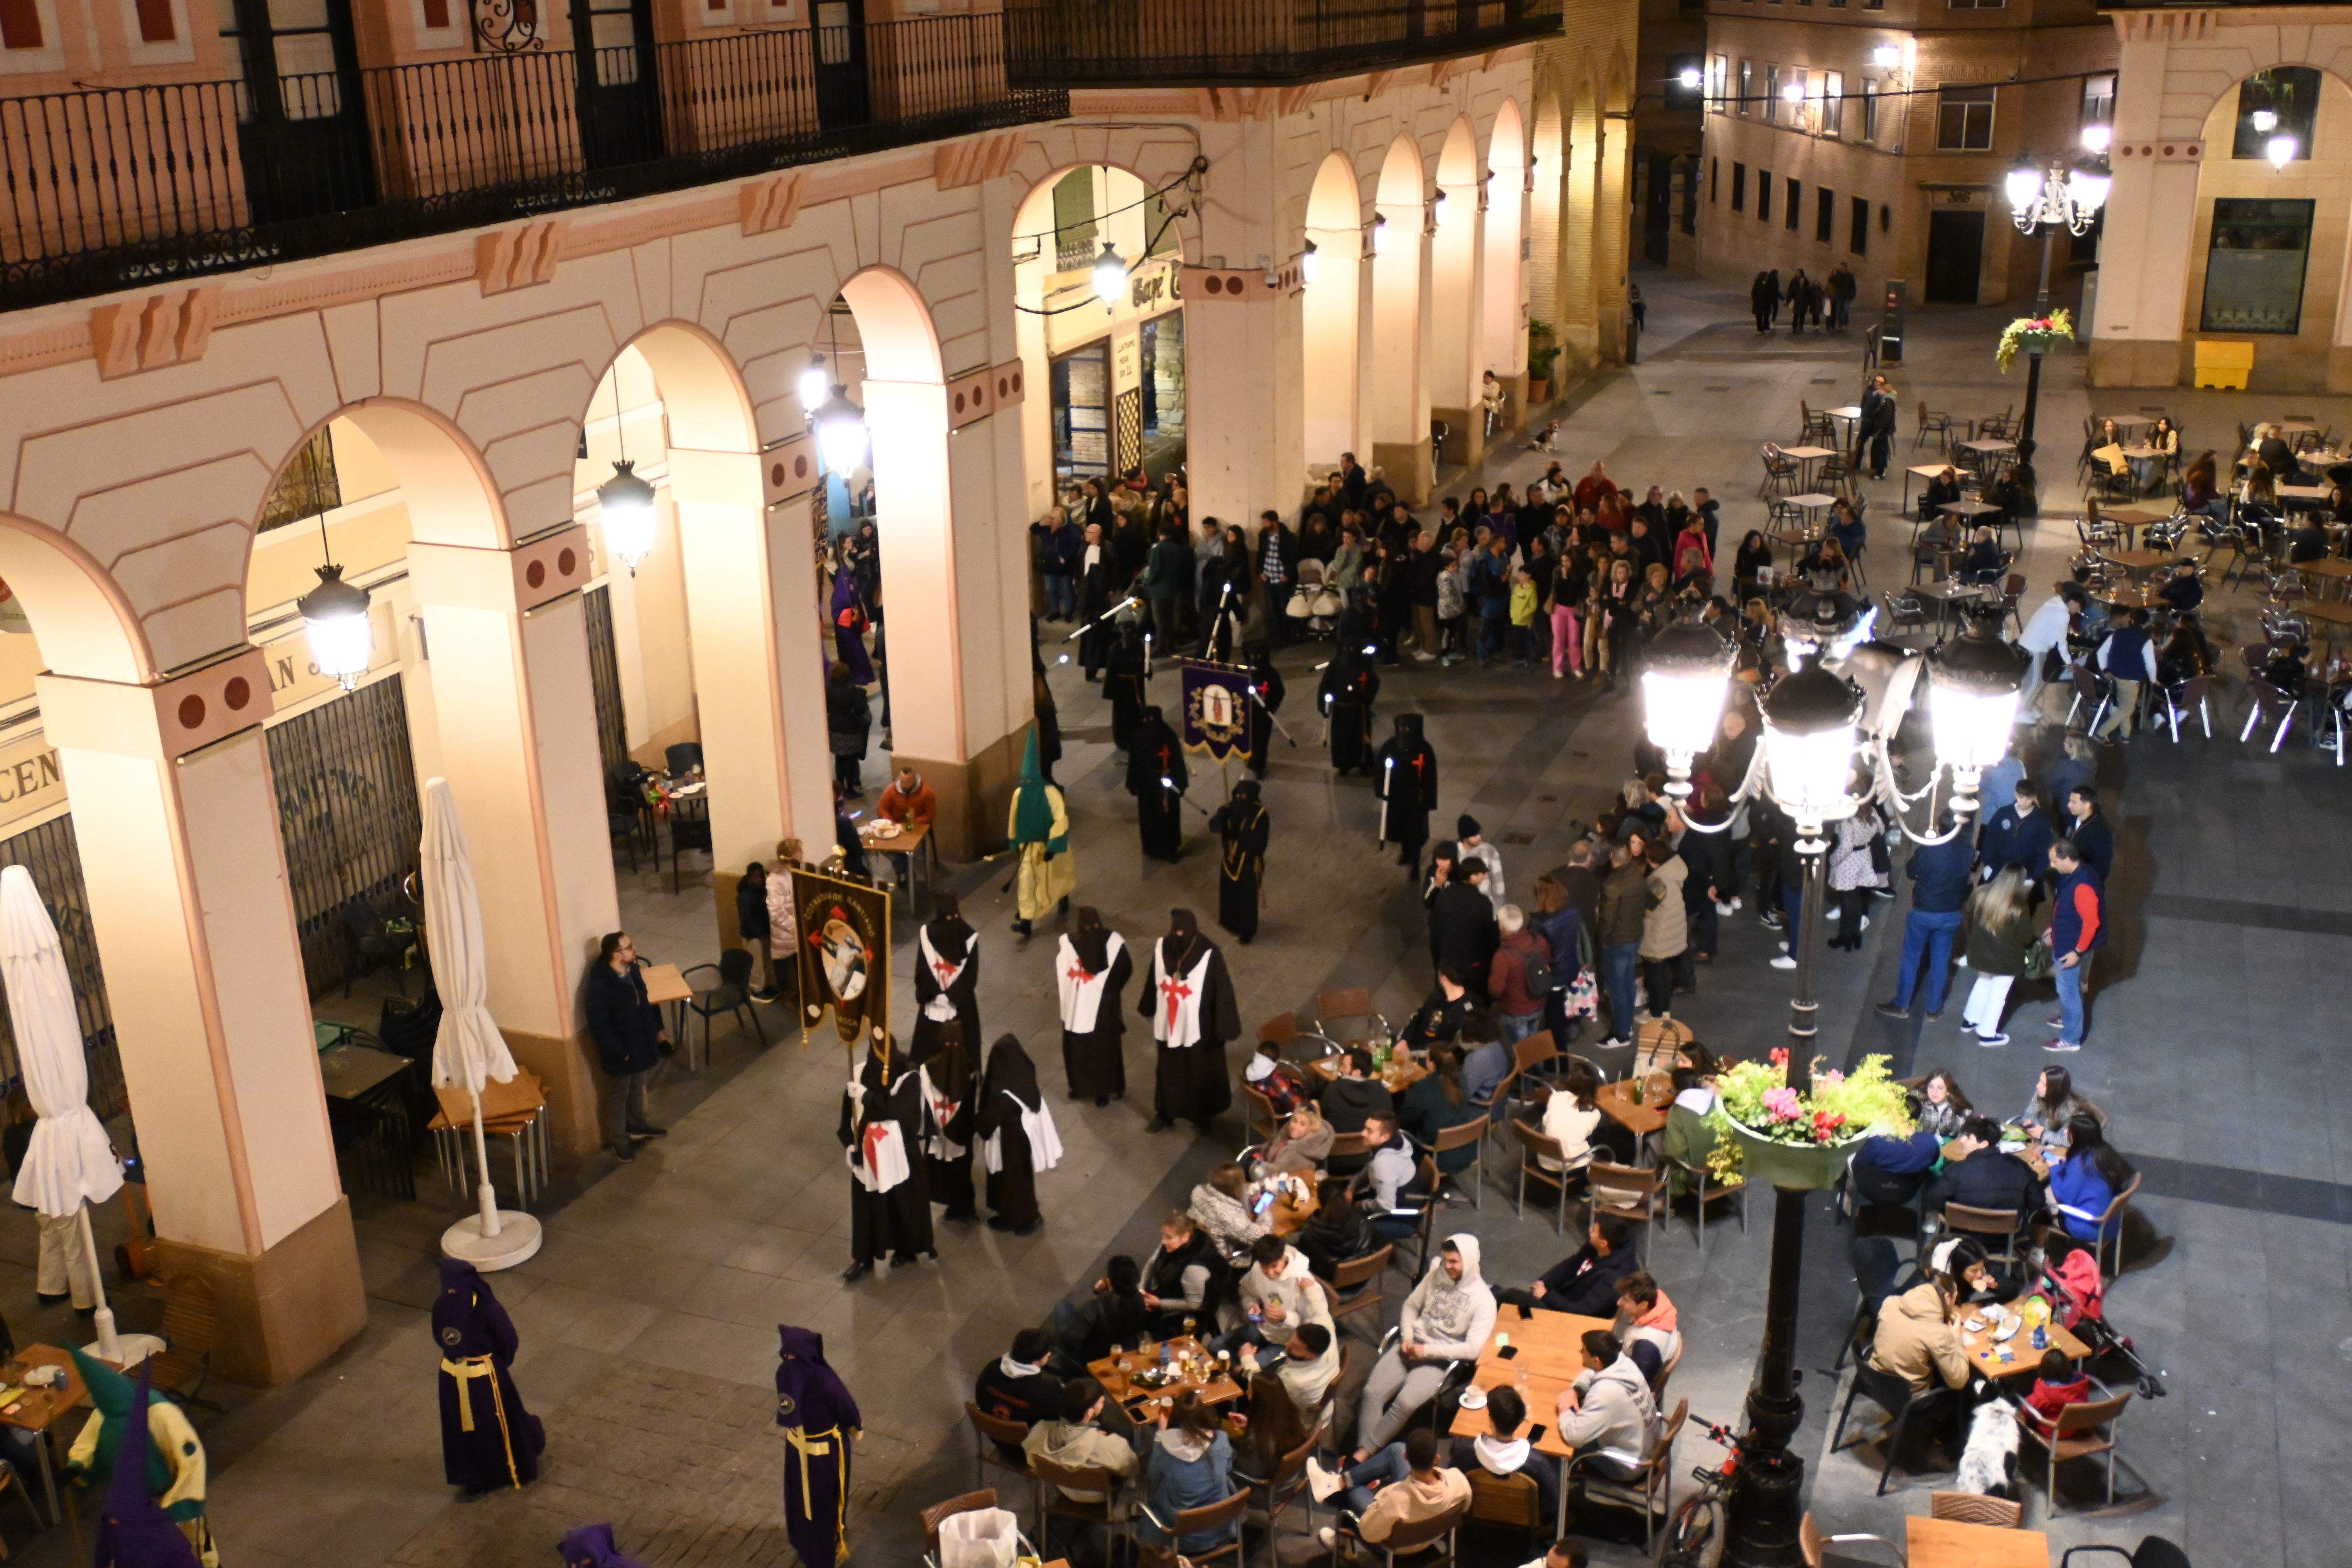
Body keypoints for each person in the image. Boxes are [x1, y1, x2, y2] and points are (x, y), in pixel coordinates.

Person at [70, 1349, 221, 1565]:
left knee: (191, 1548)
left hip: (169, 1499)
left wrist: (181, 1502)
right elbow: (87, 1443)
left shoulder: (161, 1412)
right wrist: (75, 1467)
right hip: (132, 1505)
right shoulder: (105, 1412)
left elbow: (192, 1457)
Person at [1353, 1236, 1495, 1454]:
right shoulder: (1435, 1274)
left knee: (1405, 1403)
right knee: (1372, 1392)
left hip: (1439, 1360)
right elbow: (1410, 1306)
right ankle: (1364, 1457)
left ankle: (1361, 1457)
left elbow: (1473, 1349)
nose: (1447, 1267)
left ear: (1470, 1261)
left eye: (1454, 1262)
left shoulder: (1485, 1301)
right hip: (1411, 1345)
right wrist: (1408, 1337)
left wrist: (1427, 1351)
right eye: (1446, 1260)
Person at [424, 1258, 543, 1500]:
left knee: (462, 1430)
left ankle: (473, 1478)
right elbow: (507, 1339)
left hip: (453, 1377)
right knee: (493, 1427)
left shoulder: (443, 1305)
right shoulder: (486, 1307)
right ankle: (499, 1473)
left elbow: (441, 1337)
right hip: (484, 1379)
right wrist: (499, 1363)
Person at [838, 1036, 935, 1282]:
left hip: (900, 1155)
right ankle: (864, 1257)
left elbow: (899, 1112)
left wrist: (868, 1097)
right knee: (866, 1208)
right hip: (869, 1156)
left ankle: (907, 1249)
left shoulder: (909, 1077)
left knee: (903, 1204)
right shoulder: (861, 1073)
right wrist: (851, 1145)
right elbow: (848, 1118)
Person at [1140, 908, 1241, 1133]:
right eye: (1175, 931)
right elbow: (1153, 979)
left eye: (1183, 932)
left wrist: (1224, 1027)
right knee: (1168, 1069)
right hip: (1170, 1023)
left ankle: (1200, 1113)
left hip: (1200, 1026)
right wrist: (1149, 1006)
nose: (1179, 936)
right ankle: (1166, 1112)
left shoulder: (1209, 953)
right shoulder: (1162, 947)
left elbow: (1222, 990)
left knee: (1199, 1070)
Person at [1024, 1377, 1145, 1549]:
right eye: (1102, 1402)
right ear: (1090, 1412)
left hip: (1063, 1489)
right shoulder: (1111, 1446)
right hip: (1097, 1498)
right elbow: (1132, 1469)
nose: (1104, 1404)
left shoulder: (1040, 1432)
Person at [584, 931, 668, 1161]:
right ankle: (619, 1139)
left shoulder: (633, 971)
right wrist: (620, 1051)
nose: (634, 949)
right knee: (620, 1094)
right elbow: (599, 1024)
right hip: (622, 1050)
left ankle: (638, 1125)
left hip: (640, 1041)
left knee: (638, 1083)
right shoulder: (602, 985)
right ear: (616, 954)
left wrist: (656, 1033)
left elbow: (645, 1002)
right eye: (629, 947)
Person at [1876, 825, 1972, 1020]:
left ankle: (1902, 1005)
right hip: (1950, 914)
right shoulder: (1968, 851)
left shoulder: (1928, 850)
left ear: (1939, 828)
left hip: (1923, 912)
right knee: (1941, 961)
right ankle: (1934, 1009)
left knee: (1911, 959)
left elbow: (1911, 871)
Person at [1132, 1392, 1240, 1557]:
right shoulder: (1222, 1440)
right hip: (1221, 1527)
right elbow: (1228, 1468)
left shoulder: (1165, 1449)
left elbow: (1151, 1479)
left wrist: (1161, 1434)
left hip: (1181, 1539)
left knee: (1154, 1493)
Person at [975, 1034, 1057, 1235]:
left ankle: (1028, 1218)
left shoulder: (1005, 1094)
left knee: (1014, 1184)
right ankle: (1009, 1216)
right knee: (1010, 1182)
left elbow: (988, 1122)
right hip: (1017, 1141)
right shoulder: (1021, 1078)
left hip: (1010, 1144)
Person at [1553, 1330, 1658, 1480]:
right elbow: (1592, 1374)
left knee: (1558, 1449)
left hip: (1626, 1466)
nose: (1580, 1352)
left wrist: (1565, 1408)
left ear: (1596, 1360)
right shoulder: (1624, 1364)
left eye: (1584, 1351)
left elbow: (1573, 1436)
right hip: (1645, 1449)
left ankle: (1560, 1491)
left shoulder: (1605, 1394)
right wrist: (1575, 1391)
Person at [1056, 906, 1132, 1106]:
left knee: (1103, 1051)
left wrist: (1109, 993)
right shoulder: (1069, 944)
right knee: (1078, 1048)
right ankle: (1081, 1086)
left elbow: (1125, 969)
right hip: (1078, 1005)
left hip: (1103, 1008)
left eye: (1095, 927)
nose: (1092, 931)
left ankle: (1104, 1090)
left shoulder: (1114, 944)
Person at [1959, 865, 2041, 1046]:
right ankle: (1987, 1034)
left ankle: (1971, 1020)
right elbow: (2026, 936)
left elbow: (1967, 918)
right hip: (2006, 960)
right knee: (1998, 995)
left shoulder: (1981, 894)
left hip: (1981, 954)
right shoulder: (2018, 906)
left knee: (1983, 983)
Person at [1497, 1214, 1639, 1316]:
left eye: (1594, 1230)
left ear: (1604, 1243)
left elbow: (1582, 1311)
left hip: (1570, 1315)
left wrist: (1546, 1296)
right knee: (1517, 1301)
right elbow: (1571, 1264)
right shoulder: (1596, 1246)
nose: (1590, 1230)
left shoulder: (1614, 1278)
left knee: (1512, 1296)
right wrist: (1545, 1282)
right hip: (1562, 1296)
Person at [1870, 1267, 1971, 1396]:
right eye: (1954, 1300)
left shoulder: (1890, 1303)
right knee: (1965, 1388)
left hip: (1875, 1380)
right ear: (1947, 1297)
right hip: (1910, 1397)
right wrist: (1956, 1339)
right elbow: (1959, 1381)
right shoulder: (1938, 1333)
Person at [2046, 836, 2103, 1052]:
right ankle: (2069, 1019)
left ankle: (2070, 1038)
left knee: (2068, 991)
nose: (2051, 866)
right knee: (2071, 989)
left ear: (2067, 858)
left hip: (2070, 948)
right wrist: (2054, 928)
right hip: (2066, 940)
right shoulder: (2076, 875)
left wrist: (2078, 952)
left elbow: (2092, 922)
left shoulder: (2082, 885)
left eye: (2054, 861)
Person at [1922, 1114, 2043, 1216]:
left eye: (1968, 1137)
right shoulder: (2020, 1168)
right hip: (2006, 1239)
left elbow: (1934, 1200)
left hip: (1963, 1236)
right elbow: (2037, 1202)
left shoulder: (1955, 1172)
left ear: (1984, 1144)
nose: (1962, 1140)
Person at [910, 893, 981, 1065]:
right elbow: (969, 978)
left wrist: (933, 993)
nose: (953, 921)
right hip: (961, 1008)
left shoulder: (930, 934)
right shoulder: (968, 938)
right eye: (951, 917)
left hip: (935, 1005)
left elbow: (923, 972)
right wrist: (952, 996)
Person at [2047, 1111, 2132, 1244]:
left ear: (2078, 1137)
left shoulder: (2081, 1165)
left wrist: (2054, 1168)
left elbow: (2063, 1196)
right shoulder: (2104, 1152)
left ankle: (2038, 1246)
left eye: (2069, 1130)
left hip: (2088, 1227)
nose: (2065, 1132)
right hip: (2111, 1224)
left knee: (2043, 1195)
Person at [1376, 714, 1440, 880]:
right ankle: (1406, 852)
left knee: (1416, 832)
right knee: (1401, 828)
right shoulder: (1390, 747)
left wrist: (1428, 800)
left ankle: (1416, 865)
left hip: (1415, 799)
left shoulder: (1424, 749)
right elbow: (1380, 770)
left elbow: (1430, 777)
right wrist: (1381, 791)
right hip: (1397, 798)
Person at [1209, 780, 1271, 943]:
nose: (1241, 798)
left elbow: (1260, 842)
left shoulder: (1260, 815)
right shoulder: (1230, 810)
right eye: (1238, 795)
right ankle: (1230, 923)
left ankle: (1246, 932)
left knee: (1247, 899)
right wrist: (1221, 814)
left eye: (1244, 795)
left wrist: (1239, 835)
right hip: (1230, 860)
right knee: (1230, 894)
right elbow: (1213, 828)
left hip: (1249, 862)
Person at [1127, 705, 1189, 865]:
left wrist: (1133, 784)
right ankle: (1160, 848)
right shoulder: (1163, 734)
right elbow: (1134, 762)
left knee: (1161, 817)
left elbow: (1177, 761)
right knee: (1158, 817)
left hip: (1158, 785)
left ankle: (1163, 848)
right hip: (1156, 785)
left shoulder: (1155, 735)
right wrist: (1181, 784)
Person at [1638, 837, 1690, 1022]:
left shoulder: (1658, 883)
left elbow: (1645, 909)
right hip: (1673, 933)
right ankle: (1665, 1010)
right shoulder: (1674, 872)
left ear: (1653, 861)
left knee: (1655, 979)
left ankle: (1656, 1014)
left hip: (1658, 938)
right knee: (1665, 977)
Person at [2093, 607, 2159, 743]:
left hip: (2114, 676)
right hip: (2131, 680)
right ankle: (2101, 733)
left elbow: (2101, 653)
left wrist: (2105, 670)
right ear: (2147, 623)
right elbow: (2150, 664)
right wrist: (2153, 680)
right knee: (2128, 709)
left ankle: (2125, 735)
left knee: (2122, 706)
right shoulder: (2146, 640)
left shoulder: (2117, 634)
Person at [1321, 635, 1381, 776]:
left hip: (1358, 709)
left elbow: (1374, 683)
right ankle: (1344, 764)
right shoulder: (1336, 665)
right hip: (1341, 709)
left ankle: (1363, 762)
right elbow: (1326, 685)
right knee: (1342, 739)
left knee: (1360, 736)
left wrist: (1367, 699)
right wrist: (1325, 706)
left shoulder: (1363, 664)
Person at [1295, 1182, 1376, 1281]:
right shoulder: (1362, 1222)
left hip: (1332, 1283)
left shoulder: (1310, 1234)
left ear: (1320, 1203)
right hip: (1363, 1277)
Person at [1847, 1123, 1942, 1208]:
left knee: (1849, 1158)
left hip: (1869, 1191)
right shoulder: (1930, 1143)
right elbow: (1933, 1162)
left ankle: (1849, 1200)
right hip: (1909, 1193)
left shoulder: (1873, 1143)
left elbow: (1856, 1165)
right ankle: (1930, 1214)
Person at [2013, 1065, 2102, 1154]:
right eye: (2040, 1081)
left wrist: (2042, 1134)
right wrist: (2030, 1123)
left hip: (2059, 1153)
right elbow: (2029, 1113)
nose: (2038, 1086)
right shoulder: (2040, 1095)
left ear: (2055, 1090)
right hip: (2040, 1145)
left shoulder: (2073, 1111)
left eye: (2044, 1085)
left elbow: (2067, 1140)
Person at [1976, 779, 2053, 881]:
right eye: (2021, 797)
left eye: (2029, 798)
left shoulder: (2041, 821)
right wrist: (1988, 864)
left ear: (2034, 798)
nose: (2024, 802)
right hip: (1997, 867)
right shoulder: (2003, 813)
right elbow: (1990, 839)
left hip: (2024, 872)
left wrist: (2034, 877)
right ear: (2016, 794)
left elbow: (2045, 850)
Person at [1614, 1271, 1681, 1387]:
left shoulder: (1646, 1347)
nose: (1619, 1303)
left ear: (1643, 1305)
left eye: (1626, 1300)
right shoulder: (1657, 1304)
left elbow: (1635, 1385)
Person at [1101, 620, 1148, 754]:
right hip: (1122, 687)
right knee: (1122, 714)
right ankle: (1122, 740)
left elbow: (1144, 662)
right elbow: (1110, 671)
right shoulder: (1115, 649)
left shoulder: (1139, 645)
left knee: (1137, 711)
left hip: (1136, 684)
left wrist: (1147, 671)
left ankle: (1138, 735)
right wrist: (1110, 691)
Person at [825, 660, 870, 796]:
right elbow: (861, 709)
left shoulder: (828, 690)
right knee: (850, 761)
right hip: (850, 730)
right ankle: (850, 789)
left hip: (835, 729)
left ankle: (840, 788)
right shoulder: (853, 690)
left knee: (839, 759)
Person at [1258, 1102, 1335, 1176]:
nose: (1296, 1127)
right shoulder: (1287, 1137)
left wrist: (1254, 1167)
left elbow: (1275, 1171)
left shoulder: (1298, 1152)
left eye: (1302, 1124)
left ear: (1311, 1128)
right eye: (1295, 1121)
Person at [1244, 649, 1286, 778]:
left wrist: (1271, 706)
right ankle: (1250, 760)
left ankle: (1259, 766)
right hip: (1249, 712)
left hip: (1264, 714)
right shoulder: (1247, 672)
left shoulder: (1272, 674)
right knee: (1250, 739)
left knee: (1262, 740)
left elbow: (1279, 692)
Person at [2023, 1349, 2093, 1424]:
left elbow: (2027, 1410)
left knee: (2020, 1405)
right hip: (2076, 1425)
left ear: (2043, 1370)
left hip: (2053, 1430)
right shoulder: (2081, 1384)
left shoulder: (2043, 1395)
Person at [1860, 372, 1898, 479]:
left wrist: (1880, 431)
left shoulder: (1887, 400)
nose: (1878, 384)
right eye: (1876, 381)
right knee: (1876, 449)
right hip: (1878, 428)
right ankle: (1877, 469)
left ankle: (1880, 471)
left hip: (1882, 430)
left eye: (1880, 383)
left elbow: (1887, 417)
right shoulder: (1880, 395)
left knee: (1881, 450)